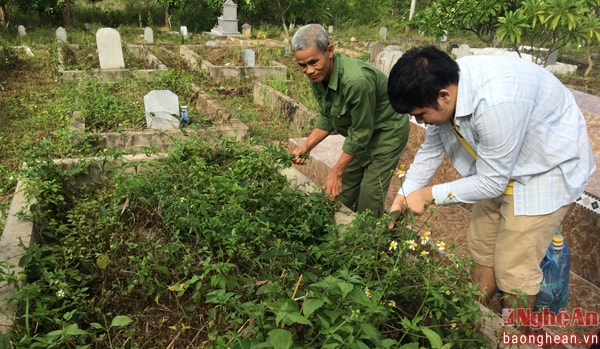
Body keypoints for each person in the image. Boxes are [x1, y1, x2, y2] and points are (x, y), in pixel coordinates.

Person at [386, 46, 595, 311]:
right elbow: (432, 148)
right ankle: (474, 319)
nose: (420, 122)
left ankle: (512, 335)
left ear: (444, 95)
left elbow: (491, 183)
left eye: (420, 114)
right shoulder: (445, 84)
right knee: (482, 249)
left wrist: (427, 195)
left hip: (543, 171)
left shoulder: (496, 103)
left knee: (514, 269)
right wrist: (403, 196)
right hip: (497, 166)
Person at [290, 24, 410, 218]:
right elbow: (328, 116)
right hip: (360, 133)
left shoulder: (356, 81)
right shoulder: (318, 76)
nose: (309, 70)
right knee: (341, 193)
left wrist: (336, 171)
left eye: (313, 62)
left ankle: (370, 241)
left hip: (386, 133)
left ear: (330, 51)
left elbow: (362, 132)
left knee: (369, 199)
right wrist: (306, 147)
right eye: (302, 65)